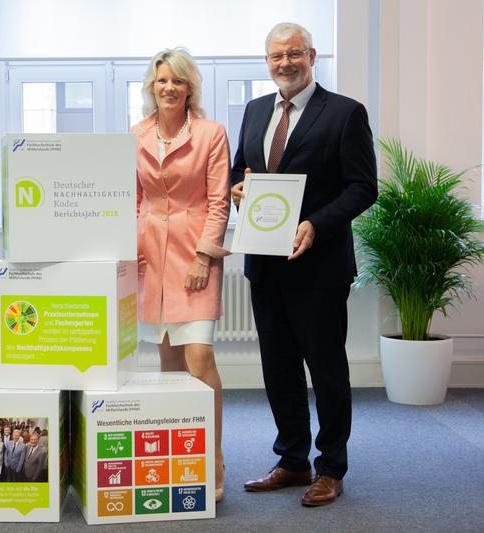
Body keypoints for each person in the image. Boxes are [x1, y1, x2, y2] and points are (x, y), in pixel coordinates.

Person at [230, 22, 377, 507]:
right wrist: (237, 191)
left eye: (294, 54)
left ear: (312, 56)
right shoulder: (254, 111)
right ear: (266, 62)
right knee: (279, 369)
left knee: (327, 369)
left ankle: (331, 468)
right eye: (276, 56)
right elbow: (240, 172)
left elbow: (362, 187)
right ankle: (292, 460)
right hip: (266, 266)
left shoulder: (344, 113)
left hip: (319, 266)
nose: (285, 63)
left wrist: (315, 223)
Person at [131, 48, 230, 502]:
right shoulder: (136, 134)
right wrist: (127, 251)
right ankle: (179, 461)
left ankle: (213, 458)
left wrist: (204, 257)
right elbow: (133, 200)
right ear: (152, 87)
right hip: (150, 255)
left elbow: (218, 201)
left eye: (177, 81)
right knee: (168, 364)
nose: (168, 88)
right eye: (161, 80)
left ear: (190, 87)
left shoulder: (211, 134)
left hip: (195, 254)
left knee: (200, 358)